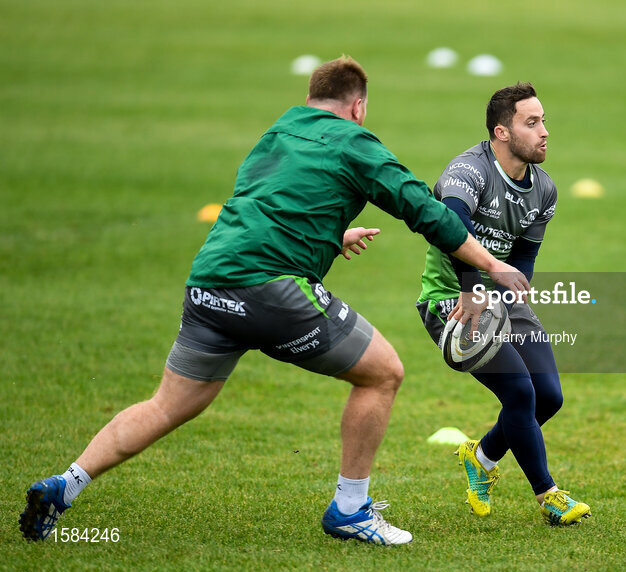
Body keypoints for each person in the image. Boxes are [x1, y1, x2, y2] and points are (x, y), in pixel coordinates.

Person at [19, 55, 528, 547]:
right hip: (268, 288)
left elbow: (267, 203)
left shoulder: (279, 131)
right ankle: (350, 509)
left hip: (209, 283)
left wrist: (331, 235)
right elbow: (426, 210)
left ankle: (67, 484)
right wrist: (490, 265)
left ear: (309, 100)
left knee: (167, 405)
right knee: (382, 373)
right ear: (358, 107)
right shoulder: (356, 141)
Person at [416, 82, 591, 526]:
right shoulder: (467, 171)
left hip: (497, 299)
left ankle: (483, 456)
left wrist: (509, 295)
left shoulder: (544, 189)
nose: (544, 131)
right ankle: (549, 495)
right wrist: (474, 287)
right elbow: (449, 223)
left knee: (548, 397)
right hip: (451, 300)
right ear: (502, 133)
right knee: (519, 391)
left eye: (544, 120)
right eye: (531, 123)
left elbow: (525, 255)